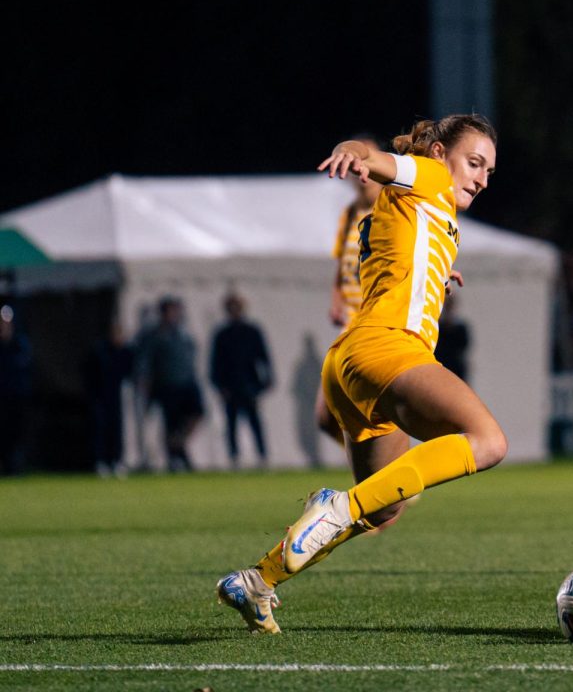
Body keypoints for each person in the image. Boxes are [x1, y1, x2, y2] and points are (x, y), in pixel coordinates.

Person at [216, 114, 506, 634]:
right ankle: (336, 507)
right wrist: (355, 150)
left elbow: (400, 255)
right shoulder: (429, 175)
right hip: (389, 349)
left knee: (385, 508)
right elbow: (376, 159)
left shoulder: (410, 210)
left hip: (348, 365)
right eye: (475, 162)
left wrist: (440, 269)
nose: (482, 177)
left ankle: (258, 579)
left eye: (489, 169)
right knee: (487, 441)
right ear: (440, 153)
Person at [316, 140, 386, 444]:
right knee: (326, 417)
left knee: (375, 415)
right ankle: (381, 473)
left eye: (364, 163)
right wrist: (336, 301)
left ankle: (390, 475)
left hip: (376, 328)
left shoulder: (392, 207)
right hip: (350, 326)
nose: (359, 172)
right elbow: (341, 265)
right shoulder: (350, 214)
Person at [210, 292, 273, 468]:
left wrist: (266, 381)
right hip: (230, 386)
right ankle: (234, 457)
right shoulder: (222, 334)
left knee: (255, 422)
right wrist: (219, 385)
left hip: (250, 384)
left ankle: (262, 456)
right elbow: (215, 363)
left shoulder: (252, 331)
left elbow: (264, 358)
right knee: (231, 424)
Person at [145, 296, 204, 472]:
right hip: (167, 385)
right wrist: (146, 382)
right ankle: (176, 458)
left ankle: (179, 445)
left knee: (197, 414)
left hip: (187, 382)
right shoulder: (156, 335)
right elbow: (145, 361)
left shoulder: (183, 333)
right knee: (171, 423)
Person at [83, 317, 134, 477]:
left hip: (116, 396)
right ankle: (101, 462)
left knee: (117, 429)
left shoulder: (125, 351)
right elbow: (89, 373)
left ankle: (116, 461)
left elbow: (129, 372)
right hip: (100, 395)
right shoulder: (100, 351)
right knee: (100, 429)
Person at [0, 305, 33, 475]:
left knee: (17, 434)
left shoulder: (20, 343)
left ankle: (15, 466)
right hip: (2, 398)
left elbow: (23, 366)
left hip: (17, 397)